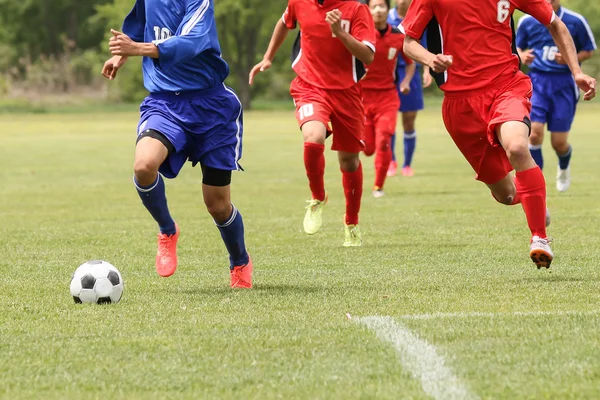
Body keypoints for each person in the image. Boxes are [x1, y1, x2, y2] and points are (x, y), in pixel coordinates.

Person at [401, 0, 596, 269]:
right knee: (505, 195)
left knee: (517, 147)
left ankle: (539, 236)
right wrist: (431, 59)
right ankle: (532, 202)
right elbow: (408, 42)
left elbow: (555, 23)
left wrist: (576, 72)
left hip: (506, 86)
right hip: (460, 103)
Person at [101, 0, 253, 288]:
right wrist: (121, 56)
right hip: (165, 103)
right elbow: (137, 24)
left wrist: (137, 50)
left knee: (217, 205)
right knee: (144, 166)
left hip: (212, 108)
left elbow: (189, 43)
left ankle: (239, 260)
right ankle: (167, 230)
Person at [249, 0, 376, 247]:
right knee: (313, 136)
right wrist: (268, 58)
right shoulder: (299, 2)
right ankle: (317, 197)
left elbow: (368, 55)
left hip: (347, 92)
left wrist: (340, 33)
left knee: (349, 161)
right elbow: (284, 22)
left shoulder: (357, 9)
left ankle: (351, 222)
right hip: (310, 86)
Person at [516, 0, 596, 192]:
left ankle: (564, 166)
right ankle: (537, 185)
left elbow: (589, 50)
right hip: (537, 82)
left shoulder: (575, 20)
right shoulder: (527, 20)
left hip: (564, 84)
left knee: (559, 143)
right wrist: (522, 55)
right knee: (533, 134)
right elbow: (515, 47)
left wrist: (571, 57)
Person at [362, 0, 416, 198]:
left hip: (387, 97)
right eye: (374, 6)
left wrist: (406, 82)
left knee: (384, 139)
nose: (378, 10)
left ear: (387, 9)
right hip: (361, 98)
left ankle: (378, 186)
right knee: (368, 149)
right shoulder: (361, 34)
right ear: (367, 10)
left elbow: (410, 63)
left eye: (382, 6)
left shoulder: (397, 36)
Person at [387, 0, 432, 177]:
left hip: (412, 70)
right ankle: (391, 161)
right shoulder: (387, 16)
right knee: (387, 120)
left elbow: (425, 45)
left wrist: (427, 69)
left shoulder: (420, 14)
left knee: (409, 120)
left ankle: (407, 164)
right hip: (388, 74)